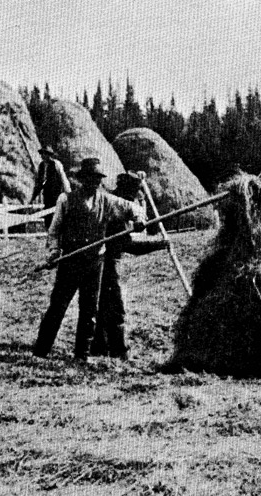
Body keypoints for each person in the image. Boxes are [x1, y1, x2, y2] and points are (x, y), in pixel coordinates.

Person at [33, 158, 146, 363]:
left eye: (97, 179)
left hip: (95, 263)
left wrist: (139, 220)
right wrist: (53, 252)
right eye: (89, 178)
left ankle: (81, 355)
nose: (93, 183)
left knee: (89, 310)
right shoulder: (65, 200)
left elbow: (134, 209)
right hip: (71, 261)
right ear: (82, 179)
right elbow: (55, 230)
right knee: (58, 306)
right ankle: (41, 351)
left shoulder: (107, 201)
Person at [90, 171, 167, 359]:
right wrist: (159, 244)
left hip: (99, 259)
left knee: (103, 304)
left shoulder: (113, 202)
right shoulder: (116, 209)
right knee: (115, 306)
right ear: (126, 191)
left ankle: (100, 346)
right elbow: (127, 245)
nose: (134, 199)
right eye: (133, 194)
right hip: (107, 261)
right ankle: (118, 350)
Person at [30, 146, 72, 229]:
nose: (42, 156)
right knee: (47, 215)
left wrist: (68, 192)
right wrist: (33, 197)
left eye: (44, 154)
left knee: (56, 214)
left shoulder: (56, 164)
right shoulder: (41, 166)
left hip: (56, 194)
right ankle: (49, 232)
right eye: (41, 154)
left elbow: (63, 178)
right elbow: (40, 182)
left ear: (49, 155)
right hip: (47, 194)